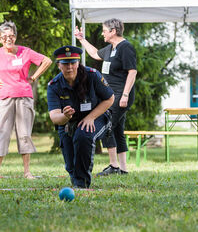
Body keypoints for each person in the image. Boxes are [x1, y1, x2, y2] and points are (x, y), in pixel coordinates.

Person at [0, 21, 52, 180]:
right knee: (3, 133)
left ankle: (27, 172)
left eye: (11, 36)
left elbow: (47, 61)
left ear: (15, 36)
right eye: (4, 37)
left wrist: (34, 76)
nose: (8, 39)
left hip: (24, 96)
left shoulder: (25, 52)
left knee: (24, 134)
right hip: (4, 97)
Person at [74, 18, 136, 176]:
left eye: (104, 30)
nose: (102, 33)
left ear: (113, 31)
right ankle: (122, 168)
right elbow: (95, 54)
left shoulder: (125, 47)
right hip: (110, 95)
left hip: (120, 95)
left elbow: (132, 72)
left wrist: (125, 95)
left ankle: (114, 166)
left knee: (106, 125)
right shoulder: (110, 48)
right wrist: (81, 39)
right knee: (117, 130)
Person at [47, 46, 114, 188]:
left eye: (73, 63)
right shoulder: (54, 85)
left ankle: (82, 184)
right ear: (59, 65)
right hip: (68, 122)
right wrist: (65, 116)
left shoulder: (92, 75)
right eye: (65, 64)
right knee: (71, 164)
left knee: (83, 134)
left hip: (97, 117)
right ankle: (76, 178)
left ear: (78, 63)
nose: (70, 67)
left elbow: (110, 99)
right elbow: (54, 117)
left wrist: (90, 117)